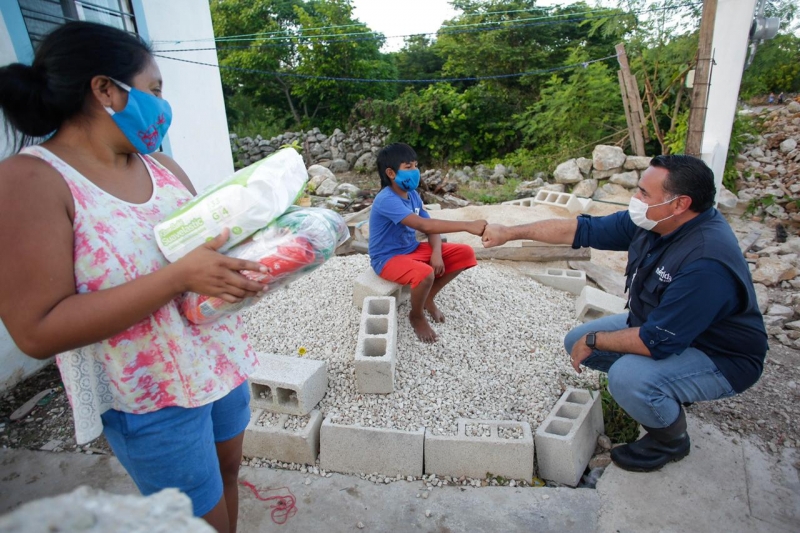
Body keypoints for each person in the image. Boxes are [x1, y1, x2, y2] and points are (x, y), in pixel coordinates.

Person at [0, 22, 266, 532]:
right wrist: (177, 277)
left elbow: (204, 254)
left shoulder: (162, 166)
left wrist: (260, 257)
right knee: (194, 519)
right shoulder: (31, 181)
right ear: (106, 90)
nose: (163, 106)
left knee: (228, 474)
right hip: (150, 398)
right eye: (155, 90)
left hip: (219, 361)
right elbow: (37, 330)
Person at [481, 155, 768, 472]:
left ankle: (670, 439)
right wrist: (510, 232)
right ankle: (669, 388)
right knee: (576, 340)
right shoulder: (655, 223)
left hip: (720, 355)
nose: (635, 199)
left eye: (644, 193)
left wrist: (596, 338)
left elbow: (654, 341)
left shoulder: (705, 262)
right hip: (668, 329)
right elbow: (578, 230)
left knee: (626, 376)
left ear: (679, 204)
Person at [369, 143, 486, 342]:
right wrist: (467, 225)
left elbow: (430, 225)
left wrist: (436, 253)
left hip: (411, 249)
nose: (415, 172)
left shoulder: (412, 194)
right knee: (425, 273)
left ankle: (428, 297)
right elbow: (426, 225)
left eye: (416, 166)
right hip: (387, 258)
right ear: (390, 172)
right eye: (408, 167)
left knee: (465, 253)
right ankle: (416, 315)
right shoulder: (386, 199)